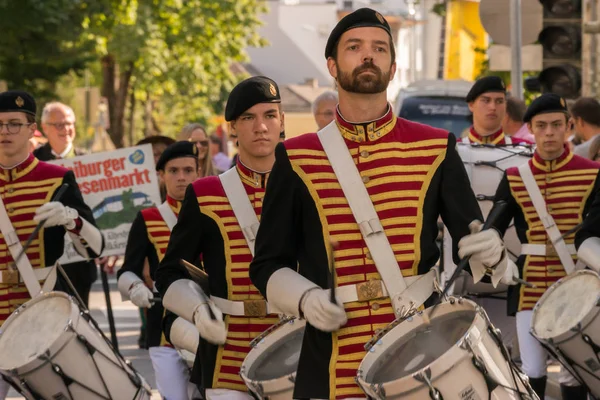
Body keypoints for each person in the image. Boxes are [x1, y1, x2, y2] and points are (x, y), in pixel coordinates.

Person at [248, 9, 509, 399]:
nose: (368, 55)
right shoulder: (296, 157)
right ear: (333, 66)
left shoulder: (435, 146)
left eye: (379, 48)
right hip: (329, 353)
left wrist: (494, 254)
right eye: (355, 47)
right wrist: (305, 297)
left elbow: (479, 254)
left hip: (421, 352)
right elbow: (267, 264)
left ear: (393, 66)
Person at [155, 76, 285, 399]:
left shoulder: (307, 182)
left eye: (270, 116)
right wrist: (198, 310)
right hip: (228, 351)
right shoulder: (206, 193)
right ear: (231, 129)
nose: (261, 127)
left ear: (281, 123)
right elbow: (170, 271)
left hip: (294, 345)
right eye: (248, 118)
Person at [492, 94, 600, 400]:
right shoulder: (514, 177)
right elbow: (493, 230)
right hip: (530, 286)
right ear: (531, 128)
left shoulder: (592, 173)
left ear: (569, 127)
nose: (549, 132)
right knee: (532, 369)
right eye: (541, 126)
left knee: (574, 369)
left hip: (579, 283)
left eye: (556, 125)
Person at [0, 91, 104, 399]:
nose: (5, 131)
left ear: (33, 129)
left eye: (14, 124)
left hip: (40, 311)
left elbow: (95, 246)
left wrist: (72, 219)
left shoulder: (57, 178)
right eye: (0, 124)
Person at [117, 141, 201, 400]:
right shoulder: (148, 218)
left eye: (188, 170)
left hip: (206, 326)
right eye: (173, 171)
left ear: (198, 172)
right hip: (162, 331)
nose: (181, 177)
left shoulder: (211, 212)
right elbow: (127, 271)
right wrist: (135, 288)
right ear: (161, 175)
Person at [33, 102, 98, 307]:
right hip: (45, 262)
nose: (66, 129)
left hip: (80, 264)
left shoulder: (92, 161)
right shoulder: (33, 162)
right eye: (58, 125)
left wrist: (104, 243)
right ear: (45, 127)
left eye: (69, 123)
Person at [464, 76, 531, 145]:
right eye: (486, 100)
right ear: (471, 105)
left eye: (499, 101)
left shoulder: (525, 149)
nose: (493, 107)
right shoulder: (455, 150)